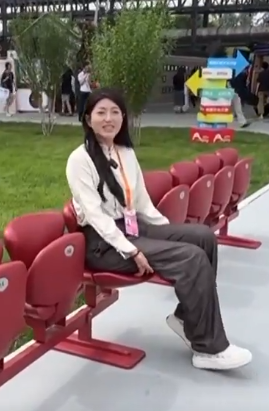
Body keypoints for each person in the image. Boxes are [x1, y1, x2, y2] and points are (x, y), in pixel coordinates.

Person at [65, 88, 253, 371]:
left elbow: (141, 202)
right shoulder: (79, 160)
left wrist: (169, 233)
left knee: (202, 238)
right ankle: (209, 348)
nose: (108, 119)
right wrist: (131, 250)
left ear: (123, 117)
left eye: (115, 112)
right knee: (190, 257)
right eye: (101, 113)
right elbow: (95, 216)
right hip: (103, 244)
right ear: (88, 119)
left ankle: (186, 318)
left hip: (131, 226)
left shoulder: (125, 152)